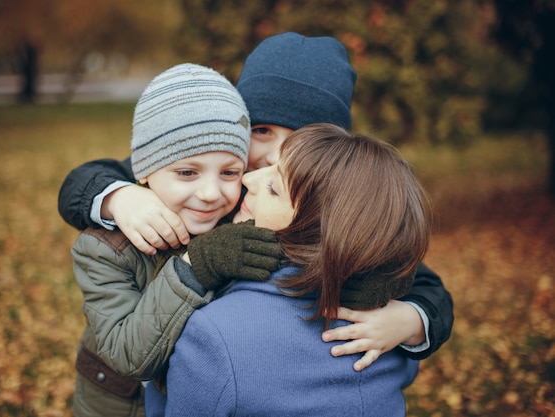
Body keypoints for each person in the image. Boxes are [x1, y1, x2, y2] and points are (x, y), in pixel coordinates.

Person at [58, 32, 454, 370]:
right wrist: (119, 198)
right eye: (261, 130)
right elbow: (80, 183)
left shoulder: (325, 210)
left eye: (301, 140)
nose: (274, 157)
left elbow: (420, 278)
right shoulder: (203, 180)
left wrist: (411, 320)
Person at [146, 124, 430, 416]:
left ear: (314, 227)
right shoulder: (388, 324)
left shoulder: (213, 336)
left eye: (273, 188)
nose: (249, 177)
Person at [71, 63, 281, 416]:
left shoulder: (239, 220)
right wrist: (193, 268)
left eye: (229, 172)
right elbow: (127, 356)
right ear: (144, 170)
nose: (212, 193)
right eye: (187, 172)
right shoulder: (104, 249)